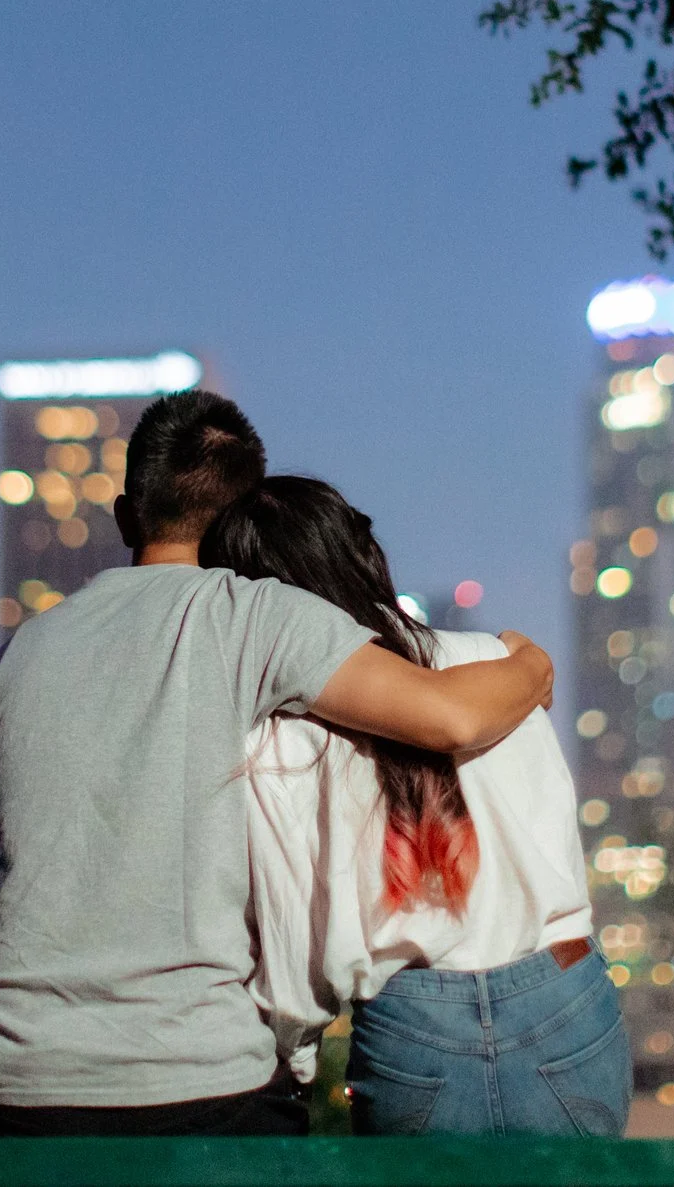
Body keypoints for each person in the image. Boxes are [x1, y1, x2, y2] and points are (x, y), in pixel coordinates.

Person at [0, 391, 555, 1136]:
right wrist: (529, 663)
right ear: (243, 514)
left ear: (125, 512)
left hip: (1, 1088)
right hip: (197, 1090)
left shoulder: (6, 668)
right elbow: (451, 715)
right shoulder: (249, 615)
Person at [206, 476, 628, 1138]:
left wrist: (296, 1055)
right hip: (565, 983)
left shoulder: (279, 736)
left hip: (412, 1023)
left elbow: (293, 930)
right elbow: (555, 832)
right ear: (361, 554)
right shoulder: (497, 663)